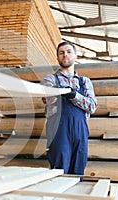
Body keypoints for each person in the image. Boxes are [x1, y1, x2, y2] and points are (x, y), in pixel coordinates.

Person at [41, 41, 97, 178]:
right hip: (58, 129)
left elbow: (92, 106)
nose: (65, 54)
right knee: (59, 170)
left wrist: (74, 95)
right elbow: (47, 98)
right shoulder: (50, 79)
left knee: (78, 170)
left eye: (68, 51)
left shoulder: (85, 82)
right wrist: (62, 92)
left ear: (75, 56)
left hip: (80, 130)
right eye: (61, 52)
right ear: (57, 58)